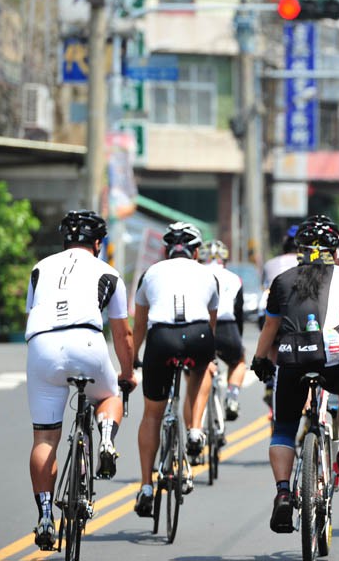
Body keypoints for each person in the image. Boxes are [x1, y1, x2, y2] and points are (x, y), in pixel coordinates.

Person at [250, 215, 339, 534]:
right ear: (335, 250)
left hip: (289, 357)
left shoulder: (282, 280)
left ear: (300, 249)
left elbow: (270, 327)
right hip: (332, 354)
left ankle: (283, 491)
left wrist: (259, 359)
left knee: (283, 428)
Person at [25, 210, 138, 550]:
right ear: (98, 243)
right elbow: (123, 334)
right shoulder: (108, 272)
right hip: (86, 342)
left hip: (42, 345)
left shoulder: (40, 268)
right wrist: (127, 373)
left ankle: (45, 515)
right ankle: (105, 438)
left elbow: (34, 313)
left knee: (45, 437)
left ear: (65, 241)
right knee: (109, 395)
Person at [133, 221, 219, 517]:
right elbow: (211, 323)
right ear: (196, 252)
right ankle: (195, 429)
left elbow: (140, 324)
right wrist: (209, 356)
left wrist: (133, 359)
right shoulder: (207, 273)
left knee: (152, 414)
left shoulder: (150, 273)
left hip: (161, 339)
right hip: (198, 336)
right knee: (201, 370)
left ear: (166, 251)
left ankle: (146, 486)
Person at [199, 240, 246, 420]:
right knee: (238, 362)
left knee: (195, 370)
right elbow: (239, 310)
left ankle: (194, 428)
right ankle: (232, 397)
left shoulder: (197, 274)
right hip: (227, 326)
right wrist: (238, 338)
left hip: (201, 326)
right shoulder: (234, 278)